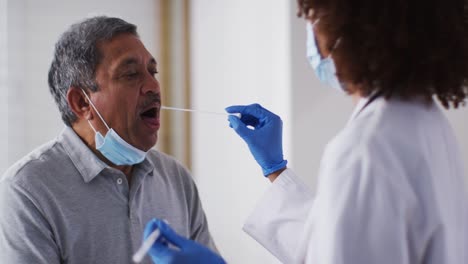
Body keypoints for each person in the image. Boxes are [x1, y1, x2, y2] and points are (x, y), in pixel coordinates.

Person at [143, 0, 468, 263]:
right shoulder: (426, 122)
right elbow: (334, 243)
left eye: (313, 17)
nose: (311, 32)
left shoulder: (366, 151)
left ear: (349, 30)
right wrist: (275, 169)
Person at [0, 16, 217, 264]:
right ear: (82, 103)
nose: (153, 87)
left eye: (152, 72)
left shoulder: (176, 178)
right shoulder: (27, 191)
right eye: (131, 74)